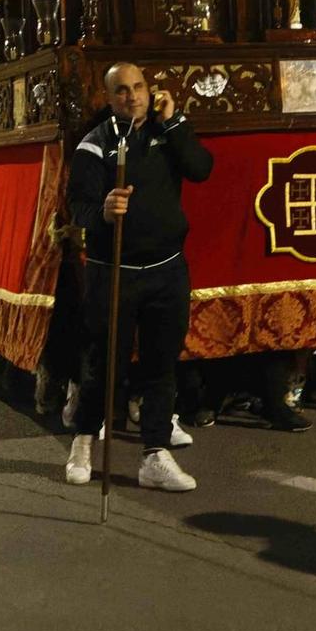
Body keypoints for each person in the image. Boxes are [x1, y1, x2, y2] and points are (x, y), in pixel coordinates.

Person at [65, 62, 213, 493]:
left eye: (138, 87)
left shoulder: (168, 133)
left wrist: (176, 122)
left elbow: (201, 168)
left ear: (150, 90)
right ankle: (83, 441)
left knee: (160, 365)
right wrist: (105, 213)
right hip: (114, 272)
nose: (132, 96)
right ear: (109, 98)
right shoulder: (95, 146)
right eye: (121, 91)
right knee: (102, 365)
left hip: (167, 269)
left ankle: (153, 455)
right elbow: (80, 208)